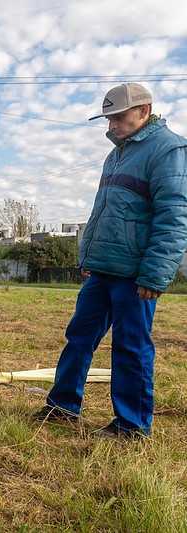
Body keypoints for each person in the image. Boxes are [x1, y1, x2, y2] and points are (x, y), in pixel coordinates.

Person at [31, 83, 187, 439]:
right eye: (108, 117)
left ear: (144, 111)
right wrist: (89, 253)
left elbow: (174, 218)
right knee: (79, 336)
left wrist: (155, 275)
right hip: (103, 269)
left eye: (118, 116)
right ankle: (62, 406)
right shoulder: (115, 154)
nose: (111, 124)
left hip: (135, 275)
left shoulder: (168, 150)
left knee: (131, 346)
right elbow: (103, 210)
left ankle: (131, 426)